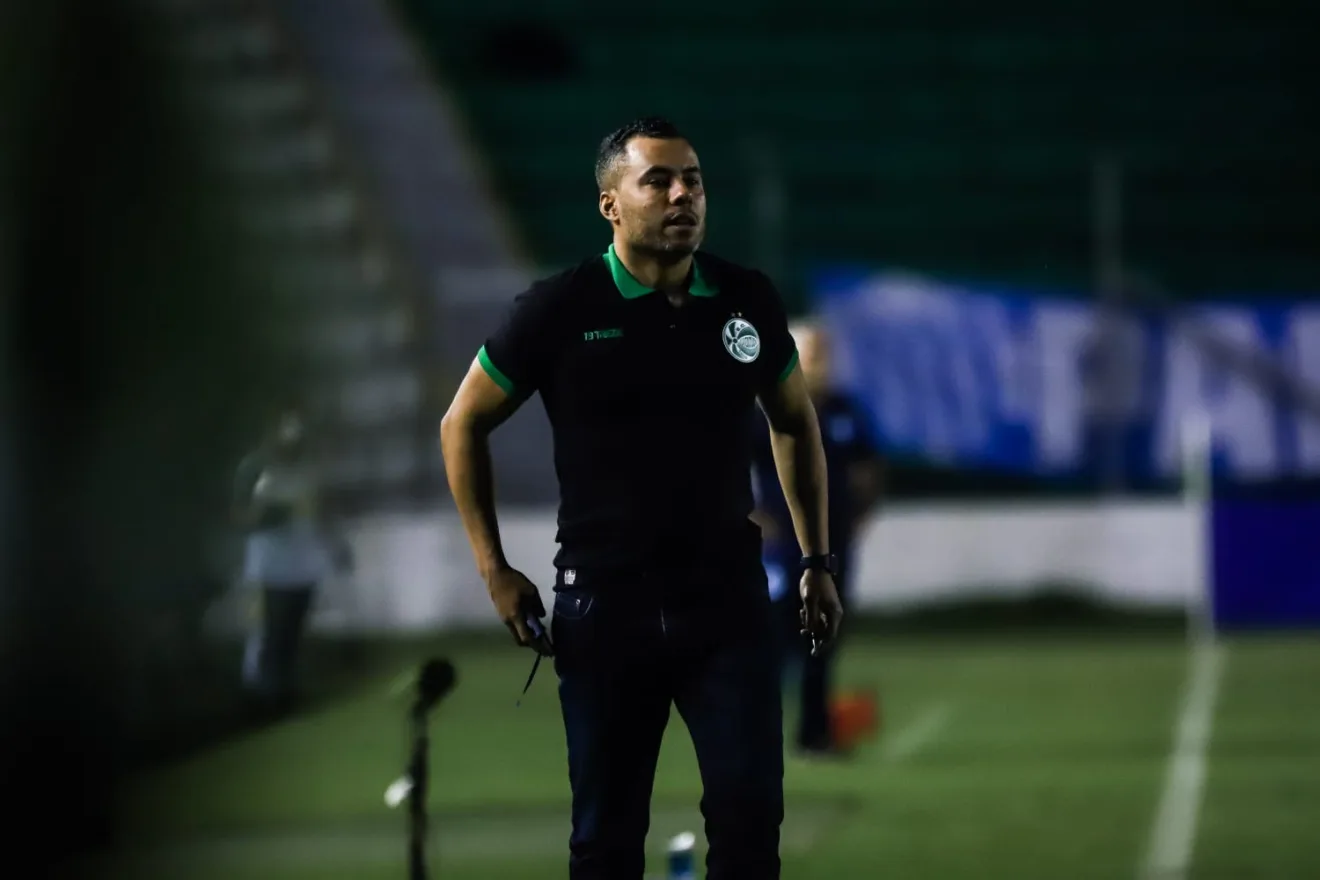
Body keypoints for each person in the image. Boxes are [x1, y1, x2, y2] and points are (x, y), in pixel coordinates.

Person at [440, 116, 842, 880]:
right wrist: (494, 568)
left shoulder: (745, 299)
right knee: (605, 842)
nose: (682, 193)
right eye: (657, 180)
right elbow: (461, 425)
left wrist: (817, 558)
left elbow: (795, 423)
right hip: (603, 609)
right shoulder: (558, 308)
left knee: (751, 824)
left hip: (727, 604)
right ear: (611, 205)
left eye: (692, 179)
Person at [751, 321, 886, 757]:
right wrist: (751, 518)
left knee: (821, 643)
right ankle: (755, 740)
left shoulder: (845, 410)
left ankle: (814, 735)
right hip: (780, 551)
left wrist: (861, 513)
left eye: (821, 355)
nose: (818, 364)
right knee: (770, 645)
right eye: (809, 355)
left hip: (832, 550)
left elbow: (868, 469)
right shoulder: (765, 408)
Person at [233, 401, 350, 714]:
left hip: (302, 565)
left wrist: (337, 547)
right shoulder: (255, 468)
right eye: (285, 428)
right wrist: (275, 513)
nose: (291, 435)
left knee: (291, 634)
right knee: (268, 634)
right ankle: (260, 697)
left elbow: (322, 511)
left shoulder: (309, 469)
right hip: (268, 566)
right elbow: (241, 516)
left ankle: (285, 694)